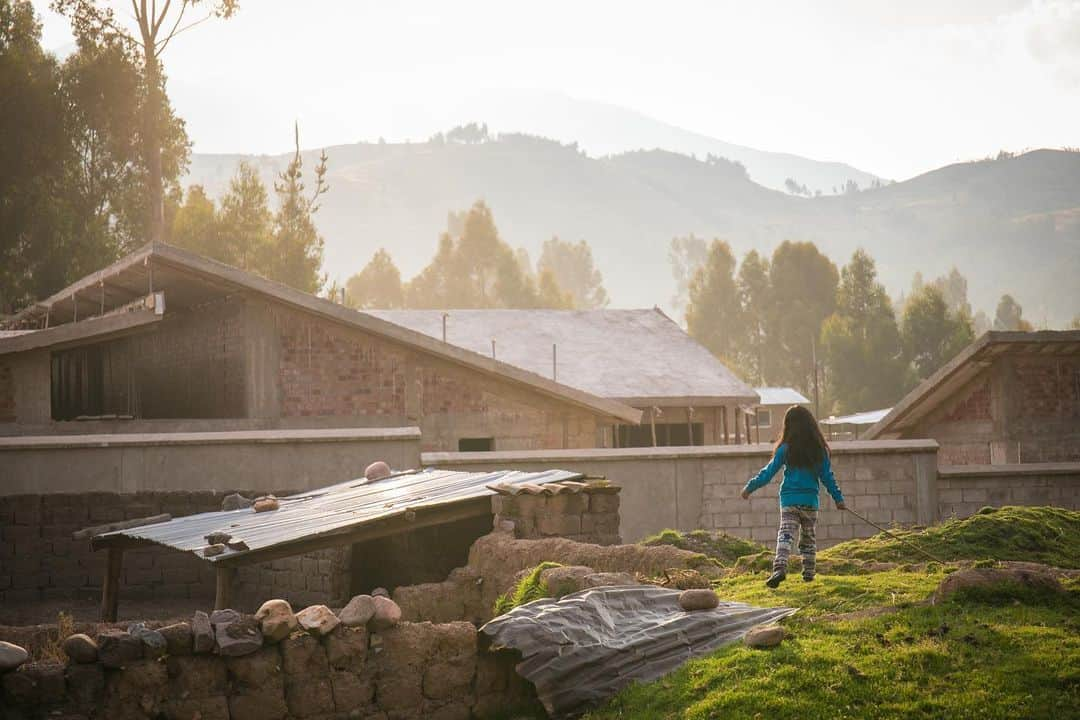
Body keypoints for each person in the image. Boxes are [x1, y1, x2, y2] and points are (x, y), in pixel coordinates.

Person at [740, 405, 845, 588]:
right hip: (810, 502)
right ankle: (809, 574)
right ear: (811, 425)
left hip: (789, 501)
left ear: (789, 426)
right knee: (808, 537)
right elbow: (827, 477)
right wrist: (838, 499)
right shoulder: (819, 450)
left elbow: (768, 472)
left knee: (785, 535)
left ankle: (779, 568)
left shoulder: (785, 449)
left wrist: (750, 487)